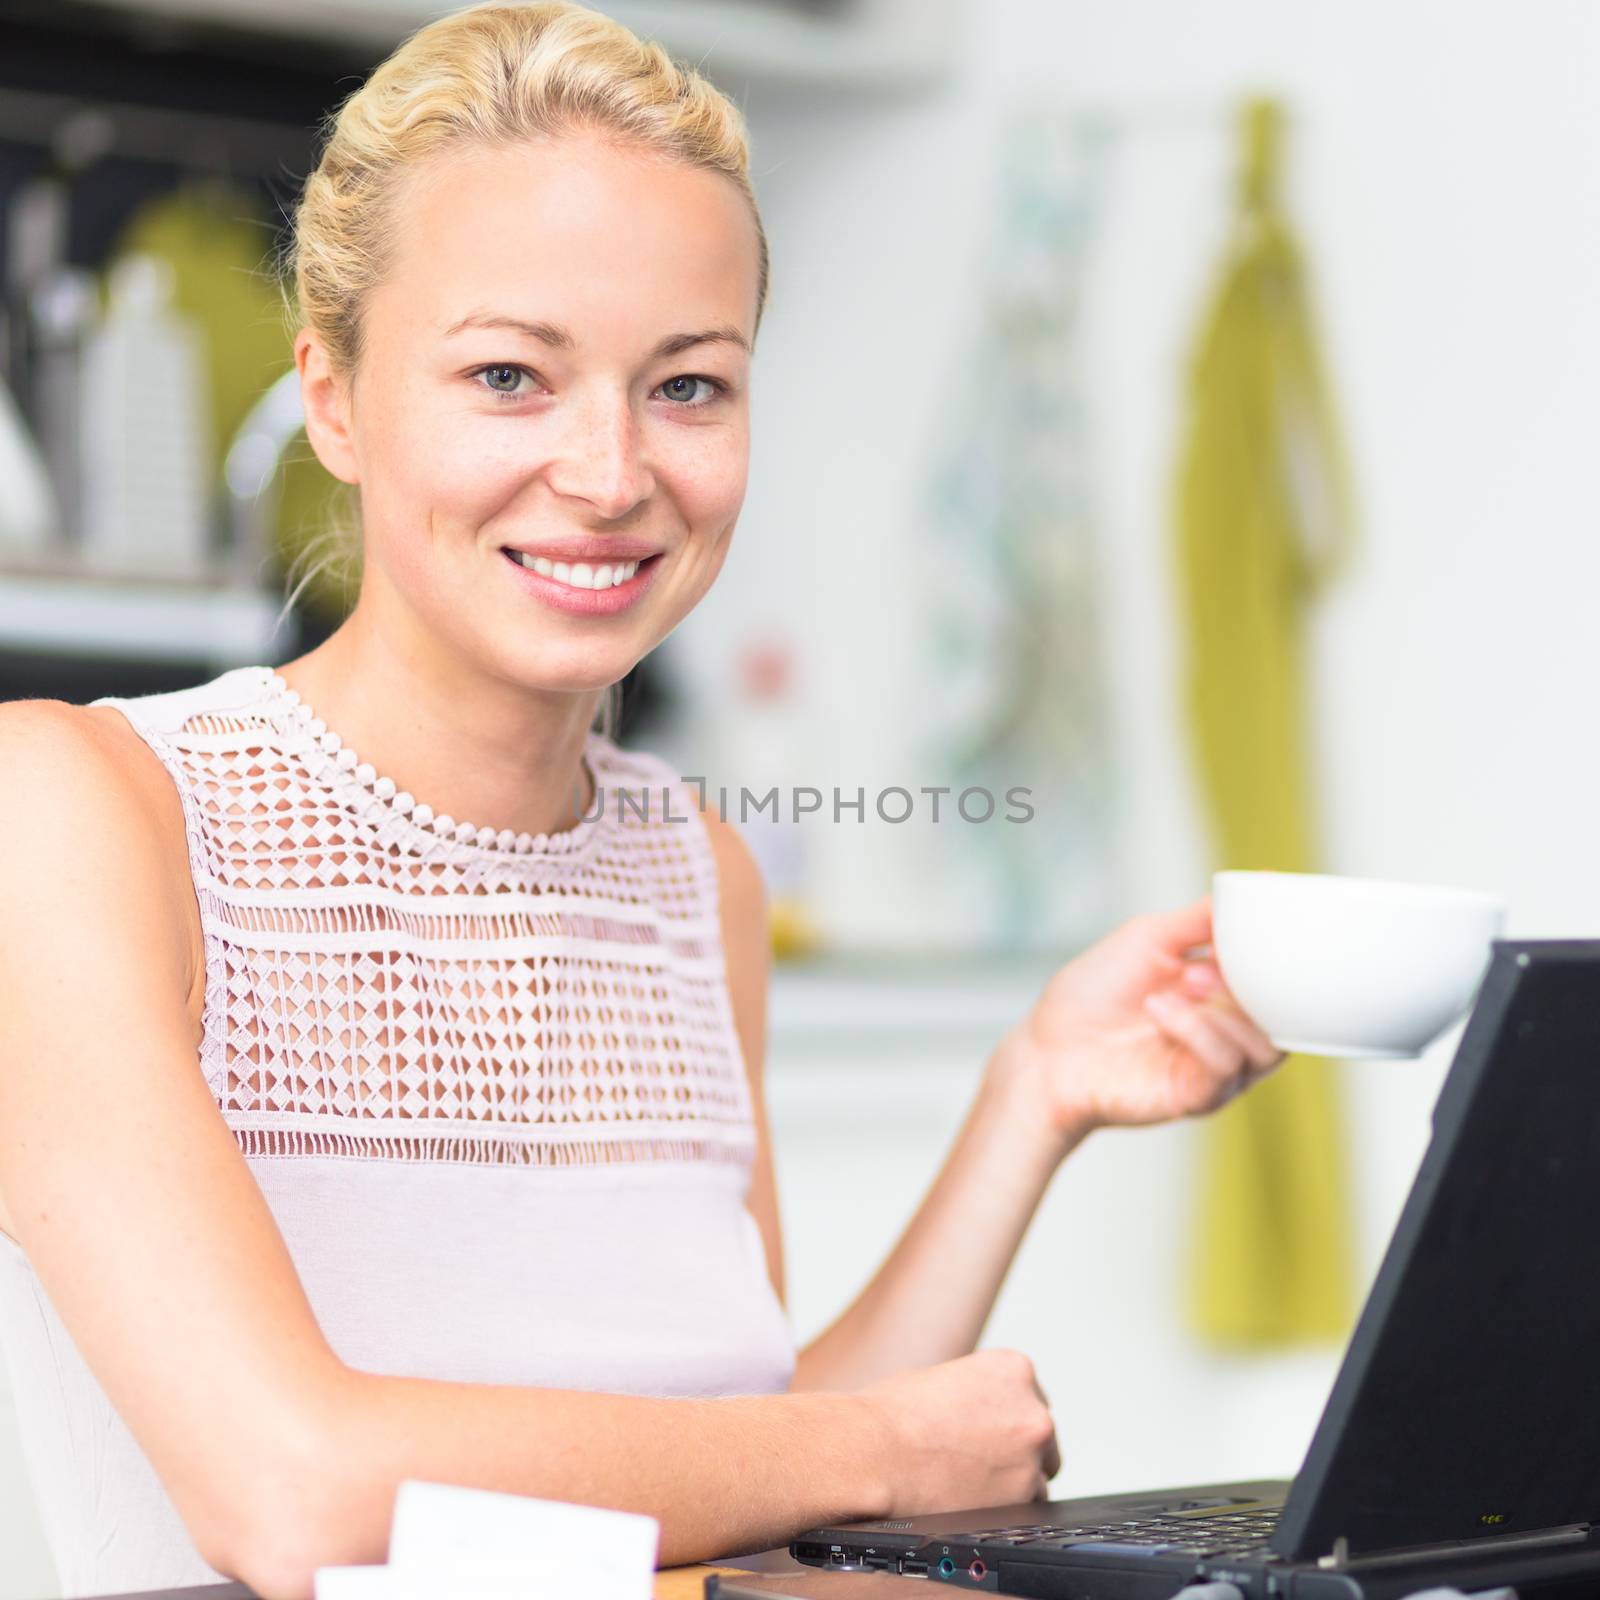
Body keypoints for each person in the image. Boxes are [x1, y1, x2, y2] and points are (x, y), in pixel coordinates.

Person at [0, 4, 1285, 1596]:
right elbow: (295, 1496)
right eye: (508, 376)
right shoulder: (78, 815)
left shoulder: (698, 877)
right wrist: (888, 1450)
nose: (611, 474)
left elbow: (731, 1462)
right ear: (333, 396)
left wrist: (1034, 1097)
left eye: (687, 387)